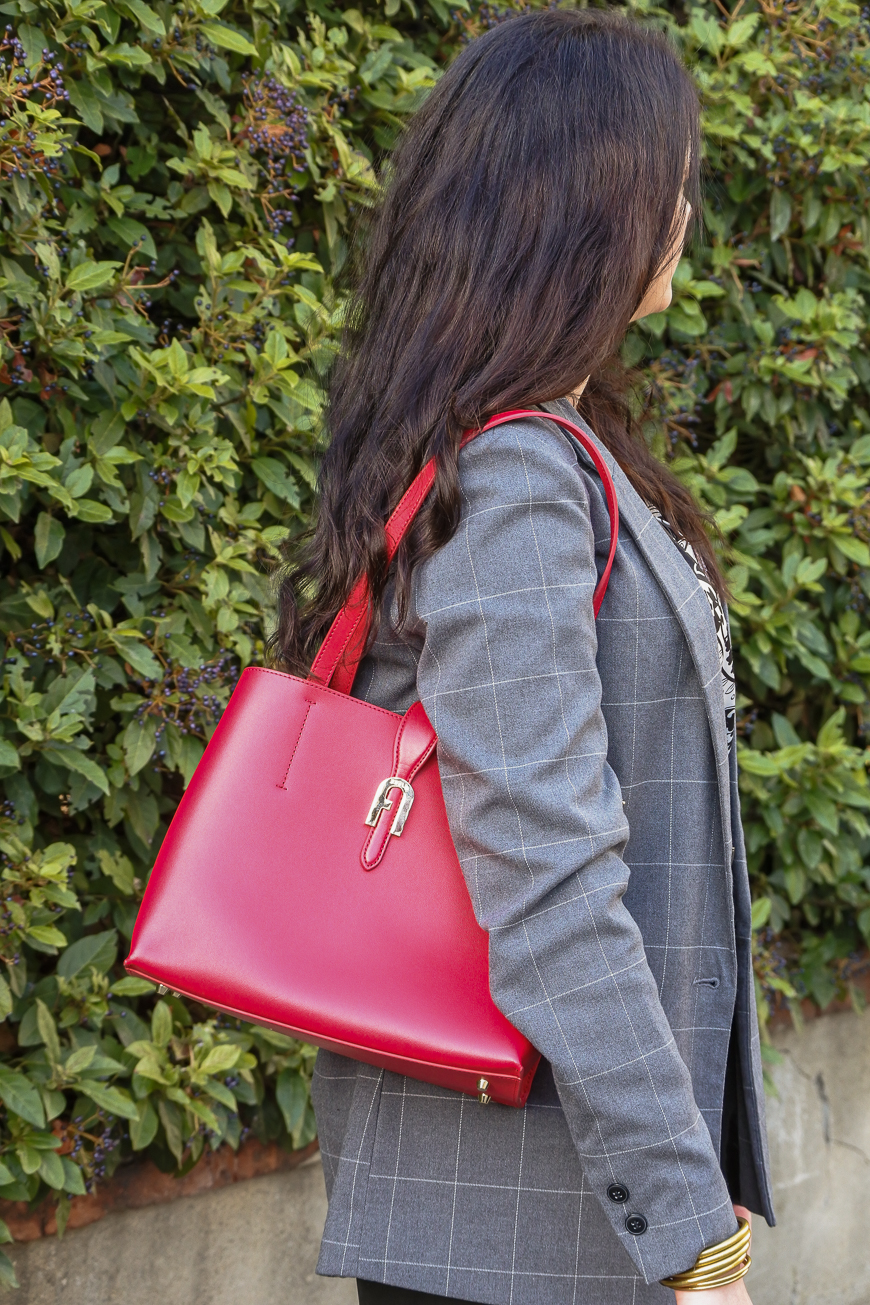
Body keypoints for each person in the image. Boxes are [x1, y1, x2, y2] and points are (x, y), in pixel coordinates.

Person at [273, 8, 774, 1303]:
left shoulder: (545, 450)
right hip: (517, 1238)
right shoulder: (517, 476)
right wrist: (692, 1234)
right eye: (668, 178)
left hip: (557, 1213)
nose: (685, 211)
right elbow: (548, 870)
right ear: (586, 204)